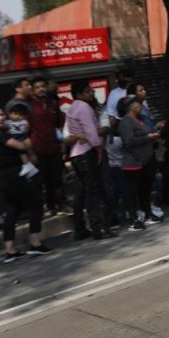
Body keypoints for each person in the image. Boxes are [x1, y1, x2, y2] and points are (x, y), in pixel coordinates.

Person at [0, 107, 49, 262]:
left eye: (2, 115)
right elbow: (21, 146)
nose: (1, 118)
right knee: (35, 203)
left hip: (5, 176)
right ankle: (34, 242)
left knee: (12, 210)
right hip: (11, 176)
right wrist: (27, 143)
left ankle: (10, 249)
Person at [64, 81, 111, 240]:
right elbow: (91, 131)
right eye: (87, 91)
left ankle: (82, 228)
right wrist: (97, 148)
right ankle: (98, 228)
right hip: (86, 152)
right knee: (93, 192)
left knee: (83, 192)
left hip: (76, 154)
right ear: (78, 94)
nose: (91, 93)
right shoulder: (84, 108)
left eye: (91, 91)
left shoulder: (71, 108)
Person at [116, 97, 163, 230]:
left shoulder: (140, 120)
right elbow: (129, 141)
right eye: (136, 103)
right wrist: (147, 137)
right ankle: (133, 218)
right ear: (129, 106)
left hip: (146, 159)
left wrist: (154, 137)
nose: (139, 105)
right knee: (132, 190)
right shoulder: (126, 121)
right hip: (133, 161)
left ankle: (148, 213)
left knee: (145, 188)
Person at [28, 77, 66, 215]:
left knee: (57, 177)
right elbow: (26, 130)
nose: (41, 89)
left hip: (54, 146)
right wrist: (30, 152)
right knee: (42, 180)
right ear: (33, 90)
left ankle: (61, 204)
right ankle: (47, 207)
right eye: (37, 87)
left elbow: (60, 124)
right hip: (38, 147)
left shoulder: (53, 104)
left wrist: (62, 142)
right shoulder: (30, 107)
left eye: (43, 86)